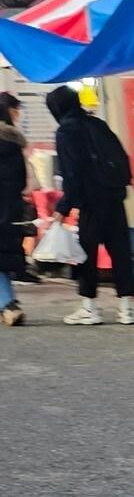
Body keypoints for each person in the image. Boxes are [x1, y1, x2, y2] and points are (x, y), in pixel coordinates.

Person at [44, 85, 134, 326]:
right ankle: (126, 309)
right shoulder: (98, 124)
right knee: (121, 252)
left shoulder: (66, 131)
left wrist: (63, 207)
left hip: (90, 201)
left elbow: (71, 173)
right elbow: (121, 157)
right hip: (114, 196)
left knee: (87, 254)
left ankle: (89, 308)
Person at [0, 92, 29, 327]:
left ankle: (9, 304)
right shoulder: (14, 143)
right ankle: (8, 304)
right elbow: (23, 180)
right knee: (4, 256)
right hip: (11, 207)